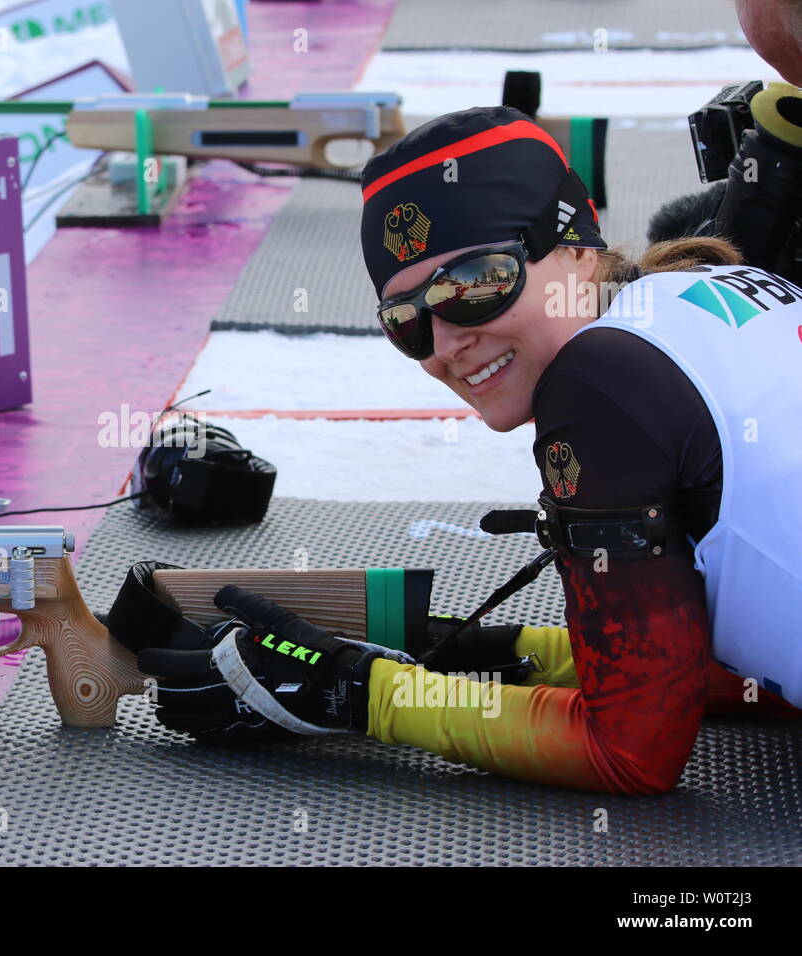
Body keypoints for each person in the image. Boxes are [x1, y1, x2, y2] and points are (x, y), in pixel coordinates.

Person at [133, 106, 802, 794]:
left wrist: (359, 690)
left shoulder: (599, 382)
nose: (445, 345)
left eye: (476, 286)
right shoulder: (703, 287)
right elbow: (762, 656)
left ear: (574, 244)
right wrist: (494, 652)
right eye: (408, 322)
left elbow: (630, 750)